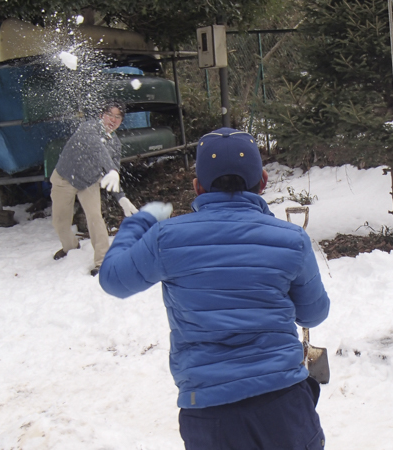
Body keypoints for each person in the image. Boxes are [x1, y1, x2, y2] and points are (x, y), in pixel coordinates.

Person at [99, 127, 330, 449]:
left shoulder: (166, 238)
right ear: (262, 181)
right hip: (283, 404)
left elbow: (113, 280)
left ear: (198, 187)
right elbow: (314, 313)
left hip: (209, 411)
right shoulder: (291, 240)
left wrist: (139, 223)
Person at [50, 100, 138, 276]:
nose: (113, 120)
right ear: (100, 116)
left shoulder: (115, 143)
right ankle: (70, 247)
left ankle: (102, 260)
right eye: (109, 115)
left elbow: (113, 174)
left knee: (95, 217)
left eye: (118, 117)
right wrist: (111, 169)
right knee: (60, 221)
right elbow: (98, 149)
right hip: (65, 178)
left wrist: (121, 197)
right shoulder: (88, 129)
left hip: (89, 182)